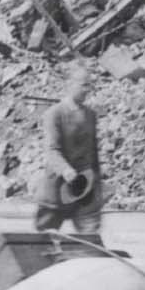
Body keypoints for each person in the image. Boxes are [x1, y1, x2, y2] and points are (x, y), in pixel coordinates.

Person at [33, 67, 103, 236]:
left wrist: (98, 185)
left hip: (85, 189)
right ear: (70, 84)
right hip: (57, 190)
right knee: (45, 242)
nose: (87, 90)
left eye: (90, 86)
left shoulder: (91, 115)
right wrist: (66, 171)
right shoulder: (55, 114)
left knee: (90, 240)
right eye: (83, 85)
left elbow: (93, 153)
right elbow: (52, 150)